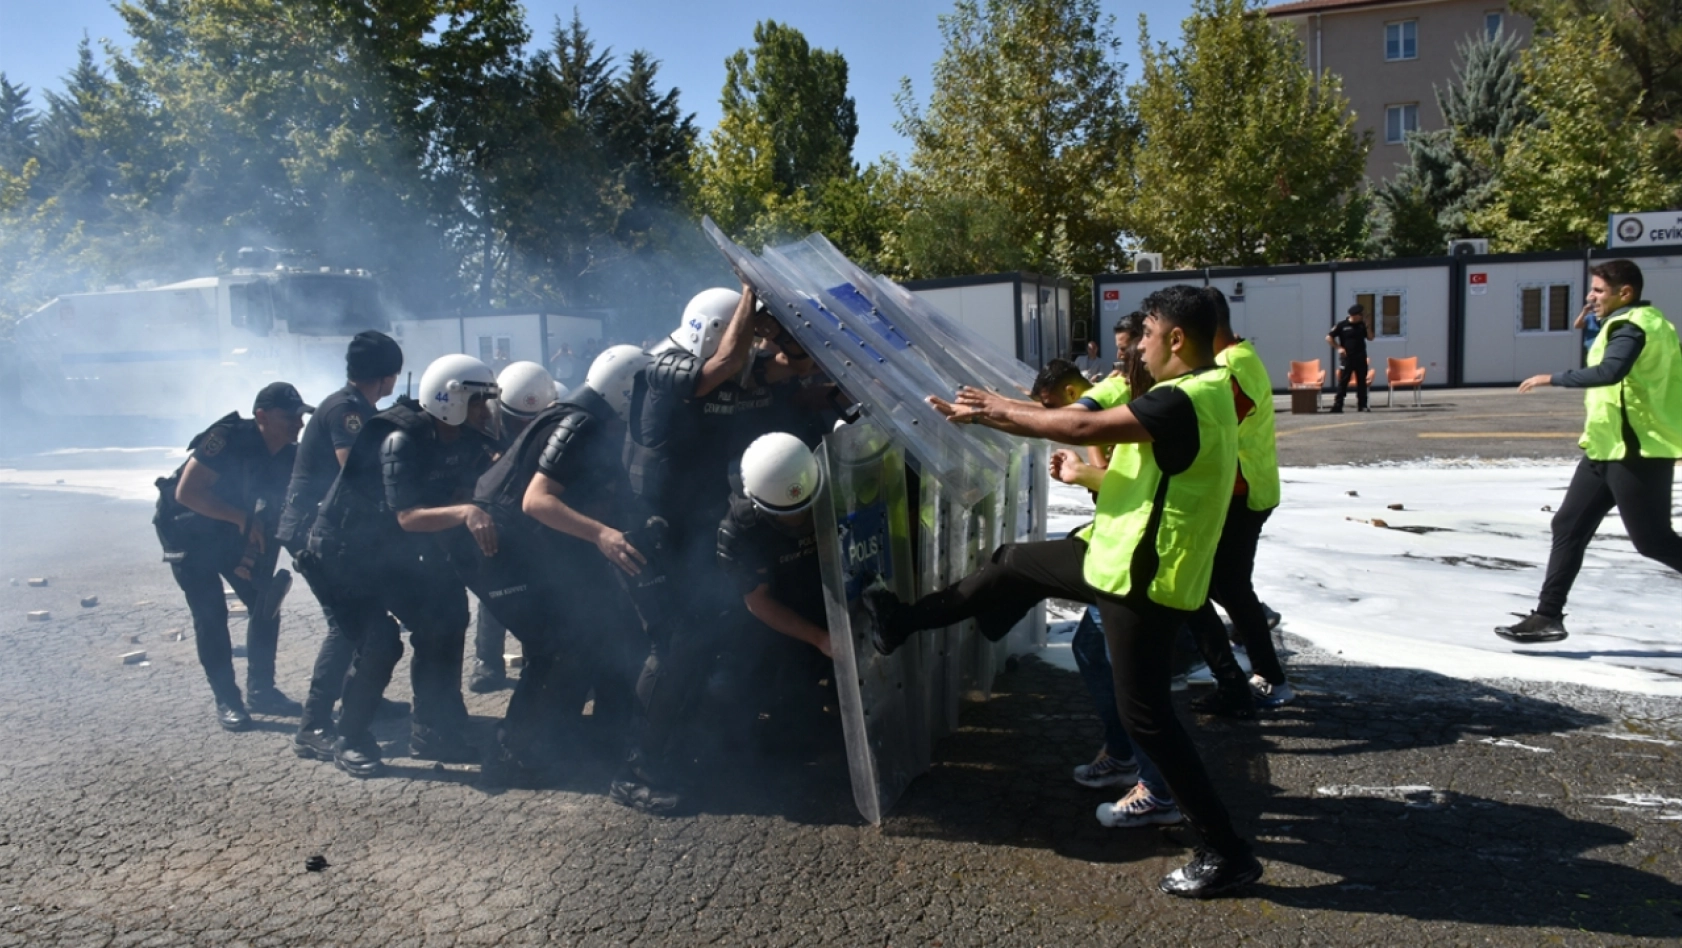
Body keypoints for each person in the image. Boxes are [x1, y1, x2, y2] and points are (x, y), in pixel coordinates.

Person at [870, 285, 1261, 898]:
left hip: (1145, 579)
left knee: (1148, 719)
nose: (1138, 348)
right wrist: (998, 407)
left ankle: (1226, 852)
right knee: (1014, 565)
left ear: (1176, 338)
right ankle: (902, 621)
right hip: (1116, 558)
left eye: (1147, 335)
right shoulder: (1181, 388)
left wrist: (992, 411)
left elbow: (1080, 424)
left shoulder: (1189, 398)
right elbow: (1082, 412)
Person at [298, 355, 499, 777]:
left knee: (444, 617)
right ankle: (348, 738)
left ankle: (433, 731)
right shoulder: (400, 439)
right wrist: (466, 512)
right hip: (342, 554)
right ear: (450, 399)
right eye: (478, 401)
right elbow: (408, 516)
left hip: (388, 552)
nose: (484, 411)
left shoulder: (463, 438)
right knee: (380, 641)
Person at [460, 347, 650, 789]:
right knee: (558, 647)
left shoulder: (585, 417)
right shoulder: (579, 424)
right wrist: (601, 534)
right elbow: (536, 501)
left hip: (524, 549)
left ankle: (556, 742)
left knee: (591, 634)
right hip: (499, 552)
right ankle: (511, 756)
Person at [1498, 259, 1682, 643]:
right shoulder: (1646, 322)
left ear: (1624, 293)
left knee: (1653, 541)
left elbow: (1611, 372)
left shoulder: (1632, 327)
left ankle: (1548, 615)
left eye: (1598, 290)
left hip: (1635, 451)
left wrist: (1552, 378)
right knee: (1567, 526)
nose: (1590, 295)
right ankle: (1547, 616)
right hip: (1604, 447)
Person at [157, 382, 310, 730]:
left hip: (228, 531)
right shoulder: (227, 438)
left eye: (300, 416)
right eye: (289, 417)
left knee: (265, 602)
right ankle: (227, 700)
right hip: (185, 529)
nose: (298, 424)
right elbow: (187, 492)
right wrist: (242, 519)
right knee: (210, 613)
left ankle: (262, 691)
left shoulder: (288, 454)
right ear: (262, 416)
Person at [278, 331, 404, 756]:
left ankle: (363, 698)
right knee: (347, 626)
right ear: (387, 376)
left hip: (332, 532)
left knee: (360, 619)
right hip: (313, 533)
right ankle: (313, 726)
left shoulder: (357, 407)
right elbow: (356, 469)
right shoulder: (346, 411)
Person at [1183, 286, 1294, 718]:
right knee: (1222, 583)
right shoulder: (1238, 357)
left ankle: (1268, 676)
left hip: (1243, 491)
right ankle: (1254, 636)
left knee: (1221, 584)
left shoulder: (1231, 365)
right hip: (1243, 488)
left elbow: (1207, 418)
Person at [468, 360, 558, 695]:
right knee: (496, 591)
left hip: (532, 515)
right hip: (493, 517)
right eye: (516, 421)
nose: (523, 428)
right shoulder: (482, 429)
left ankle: (541, 659)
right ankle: (486, 662)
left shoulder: (553, 423)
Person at [1326, 303, 1374, 413]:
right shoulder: (1342, 325)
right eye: (1361, 315)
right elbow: (1328, 337)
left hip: (1360, 357)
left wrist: (1368, 326)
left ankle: (1362, 405)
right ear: (1355, 315)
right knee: (1343, 381)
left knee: (1362, 382)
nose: (1362, 317)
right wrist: (1338, 348)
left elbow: (1370, 338)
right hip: (1347, 358)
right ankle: (1338, 405)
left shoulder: (1362, 325)